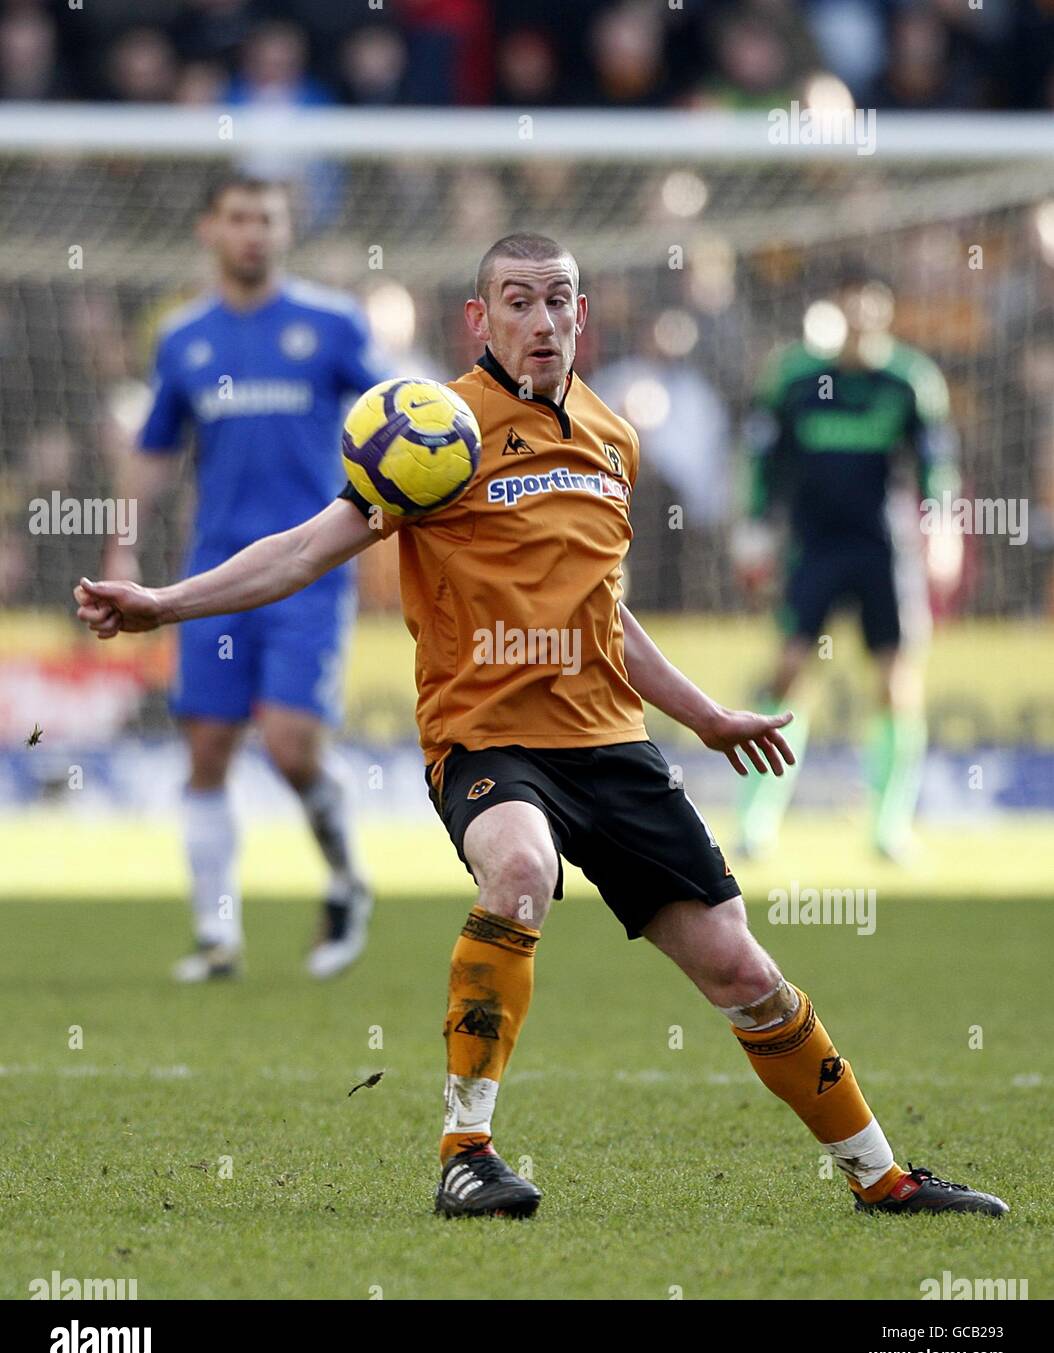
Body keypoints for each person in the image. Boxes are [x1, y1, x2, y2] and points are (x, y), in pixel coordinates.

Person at [78, 233, 1005, 1220]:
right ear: (479, 319)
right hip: (487, 737)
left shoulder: (611, 437)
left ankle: (882, 1175)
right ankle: (465, 1151)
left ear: (580, 314)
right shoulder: (437, 430)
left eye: (558, 301)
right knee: (519, 873)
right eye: (517, 302)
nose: (542, 320)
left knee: (740, 964)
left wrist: (700, 714)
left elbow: (604, 611)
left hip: (608, 743)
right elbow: (309, 546)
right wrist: (164, 605)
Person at [102, 176, 386, 982]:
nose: (254, 233)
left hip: (310, 571)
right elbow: (155, 447)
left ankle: (344, 880)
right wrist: (121, 545)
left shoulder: (332, 324)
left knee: (294, 749)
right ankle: (216, 933)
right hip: (216, 573)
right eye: (239, 218)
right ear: (211, 230)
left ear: (286, 228)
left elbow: (394, 415)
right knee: (209, 749)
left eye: (268, 217)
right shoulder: (185, 338)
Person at [734, 264, 961, 861]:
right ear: (835, 309)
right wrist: (755, 524)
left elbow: (937, 463)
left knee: (895, 681)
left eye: (871, 305)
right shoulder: (796, 380)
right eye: (850, 304)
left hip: (884, 549)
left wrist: (943, 528)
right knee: (787, 673)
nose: (861, 317)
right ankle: (756, 820)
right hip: (815, 547)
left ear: (885, 310)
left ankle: (888, 826)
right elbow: (765, 457)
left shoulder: (908, 381)